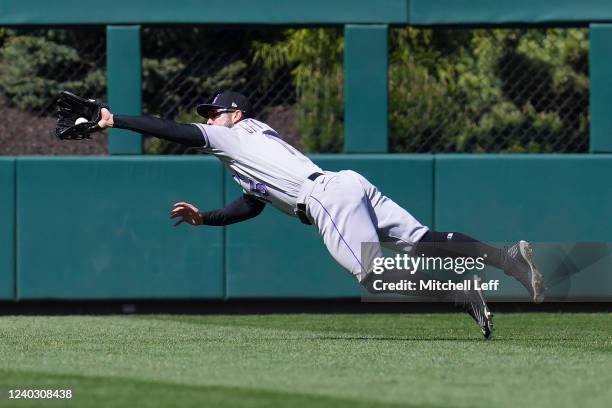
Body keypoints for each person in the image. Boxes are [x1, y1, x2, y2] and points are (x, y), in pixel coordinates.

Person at [96, 90, 545, 339]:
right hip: (346, 184)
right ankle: (507, 259)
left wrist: (113, 120)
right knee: (423, 237)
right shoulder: (248, 149)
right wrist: (205, 218)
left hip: (327, 199)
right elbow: (251, 205)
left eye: (215, 113)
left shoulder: (232, 137)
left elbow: (171, 130)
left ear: (236, 114)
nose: (209, 120)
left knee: (372, 276)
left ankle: (461, 294)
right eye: (208, 115)